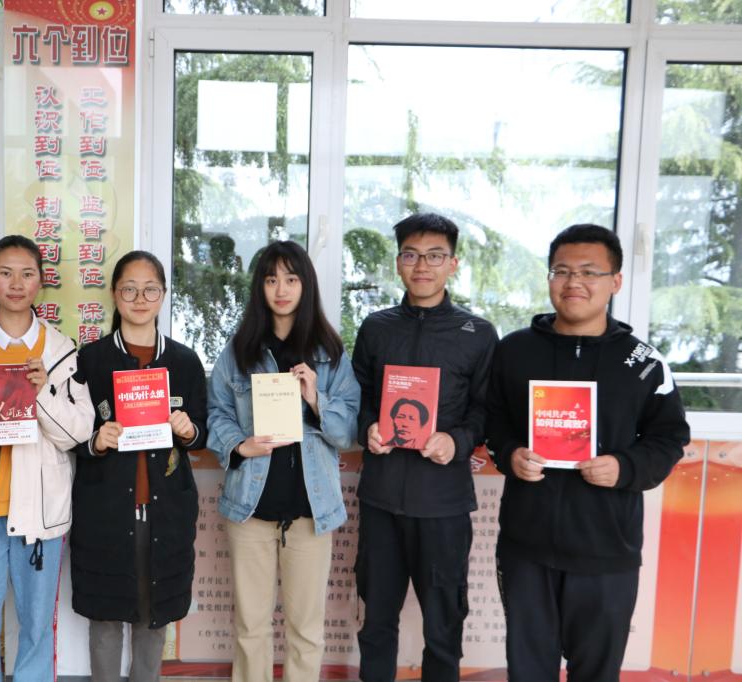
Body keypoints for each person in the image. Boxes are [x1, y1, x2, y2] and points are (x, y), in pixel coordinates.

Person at [486, 224, 689, 682]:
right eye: (561, 271)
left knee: (597, 672)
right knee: (528, 671)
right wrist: (511, 453)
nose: (573, 282)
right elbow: (492, 421)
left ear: (615, 281)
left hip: (607, 549)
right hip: (526, 546)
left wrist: (625, 467)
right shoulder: (514, 351)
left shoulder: (644, 363)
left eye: (589, 272)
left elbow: (669, 438)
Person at [351, 213, 498, 682]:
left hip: (443, 505)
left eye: (435, 256)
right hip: (381, 498)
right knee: (376, 622)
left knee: (443, 626)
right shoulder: (376, 328)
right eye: (411, 255)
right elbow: (356, 399)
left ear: (453, 264)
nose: (422, 266)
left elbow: (487, 411)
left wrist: (456, 440)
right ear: (398, 262)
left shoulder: (478, 333)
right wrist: (368, 428)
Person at [0, 235, 94, 682]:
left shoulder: (61, 351)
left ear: (40, 281)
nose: (16, 283)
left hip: (39, 513)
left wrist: (42, 391)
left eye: (27, 274)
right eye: (5, 273)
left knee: (37, 630)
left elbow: (77, 433)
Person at [207, 240, 360, 682]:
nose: (281, 289)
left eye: (291, 279)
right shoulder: (240, 350)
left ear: (305, 285)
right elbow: (216, 412)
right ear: (260, 287)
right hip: (250, 509)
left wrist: (315, 398)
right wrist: (239, 445)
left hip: (311, 513)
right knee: (250, 629)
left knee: (306, 631)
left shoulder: (331, 353)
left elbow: (348, 430)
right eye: (271, 279)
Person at [71, 251, 207, 682]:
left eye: (150, 289)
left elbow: (203, 431)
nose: (140, 299)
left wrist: (189, 430)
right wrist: (96, 441)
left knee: (154, 616)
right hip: (106, 510)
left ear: (163, 295)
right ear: (115, 294)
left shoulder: (184, 362)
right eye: (129, 289)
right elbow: (69, 433)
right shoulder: (90, 360)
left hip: (165, 510)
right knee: (106, 616)